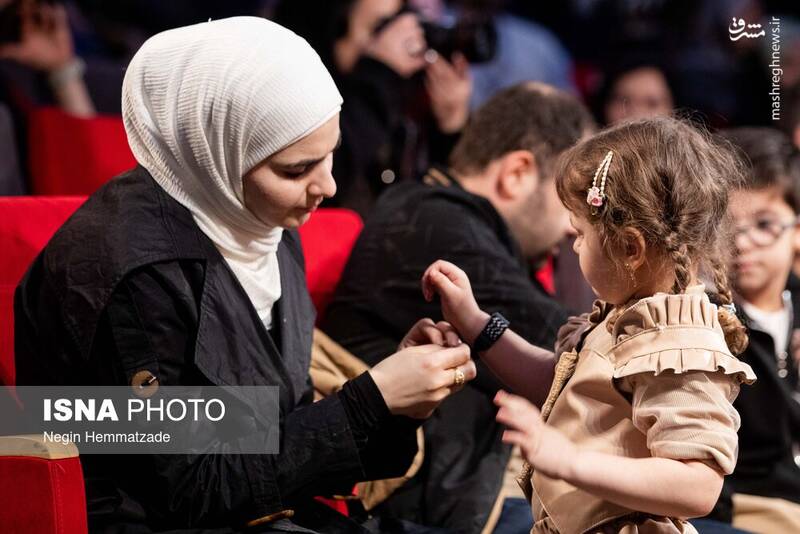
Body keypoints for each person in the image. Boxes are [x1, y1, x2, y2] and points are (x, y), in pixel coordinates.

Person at [14, 17, 478, 533]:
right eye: (296, 169)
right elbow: (185, 489)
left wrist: (401, 401)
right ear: (216, 149)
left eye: (330, 155)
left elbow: (269, 429)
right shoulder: (129, 271)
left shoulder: (256, 219)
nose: (325, 185)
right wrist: (370, 401)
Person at [422, 116, 757, 533]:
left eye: (581, 232)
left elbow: (698, 485)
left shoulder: (679, 343)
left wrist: (569, 460)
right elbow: (561, 387)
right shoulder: (627, 318)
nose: (572, 241)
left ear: (630, 248)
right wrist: (476, 323)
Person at [322, 82, 595, 532]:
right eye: (574, 199)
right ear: (516, 173)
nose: (573, 228)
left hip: (464, 487)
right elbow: (581, 362)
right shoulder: (433, 222)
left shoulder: (444, 217)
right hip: (439, 503)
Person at [274, 0, 472, 218]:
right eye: (381, 27)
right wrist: (379, 75)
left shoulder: (405, 108)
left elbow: (440, 210)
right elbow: (325, 176)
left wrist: (450, 128)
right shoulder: (287, 103)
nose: (394, 40)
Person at [706, 127, 800, 533]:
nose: (743, 243)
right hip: (746, 509)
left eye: (765, 224)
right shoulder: (706, 318)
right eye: (728, 226)